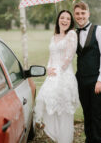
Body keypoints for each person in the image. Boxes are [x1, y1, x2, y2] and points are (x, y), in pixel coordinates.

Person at [33, 10, 79, 143]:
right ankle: (57, 137)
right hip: (52, 76)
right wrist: (48, 69)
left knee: (64, 111)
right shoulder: (53, 37)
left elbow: (69, 57)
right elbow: (51, 56)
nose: (65, 21)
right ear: (58, 20)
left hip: (64, 77)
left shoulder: (71, 34)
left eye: (68, 19)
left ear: (70, 22)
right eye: (62, 18)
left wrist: (58, 71)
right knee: (48, 105)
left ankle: (65, 140)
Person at [73, 2, 101, 143]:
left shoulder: (99, 30)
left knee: (97, 115)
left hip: (96, 80)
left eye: (83, 13)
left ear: (88, 13)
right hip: (81, 80)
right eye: (77, 13)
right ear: (75, 15)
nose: (80, 16)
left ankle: (98, 140)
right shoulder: (74, 34)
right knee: (87, 114)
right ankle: (89, 140)